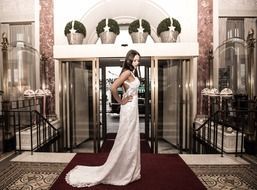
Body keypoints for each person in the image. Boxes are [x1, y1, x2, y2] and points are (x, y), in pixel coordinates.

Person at [65, 49, 141, 187]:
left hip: (132, 107)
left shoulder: (132, 72)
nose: (137, 62)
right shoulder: (127, 72)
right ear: (129, 60)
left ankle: (130, 168)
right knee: (126, 138)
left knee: (131, 138)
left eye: (138, 60)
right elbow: (113, 88)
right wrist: (121, 101)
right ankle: (123, 170)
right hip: (129, 108)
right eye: (134, 60)